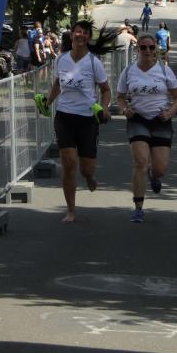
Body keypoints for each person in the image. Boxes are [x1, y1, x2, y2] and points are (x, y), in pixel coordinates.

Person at [42, 21, 117, 222]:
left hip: (87, 119)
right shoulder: (61, 59)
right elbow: (58, 84)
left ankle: (89, 177)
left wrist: (105, 107)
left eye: (84, 32)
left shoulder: (93, 62)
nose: (80, 35)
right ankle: (71, 211)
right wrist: (48, 102)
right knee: (68, 163)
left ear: (88, 37)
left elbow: (106, 90)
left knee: (86, 169)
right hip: (64, 116)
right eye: (77, 32)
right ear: (72, 35)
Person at [116, 33, 177, 223]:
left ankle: (154, 176)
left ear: (155, 49)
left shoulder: (164, 70)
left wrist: (170, 113)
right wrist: (125, 110)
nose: (147, 51)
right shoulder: (129, 71)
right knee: (140, 162)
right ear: (137, 49)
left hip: (160, 120)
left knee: (160, 169)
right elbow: (120, 97)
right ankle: (138, 208)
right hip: (138, 119)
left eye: (151, 47)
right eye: (143, 47)